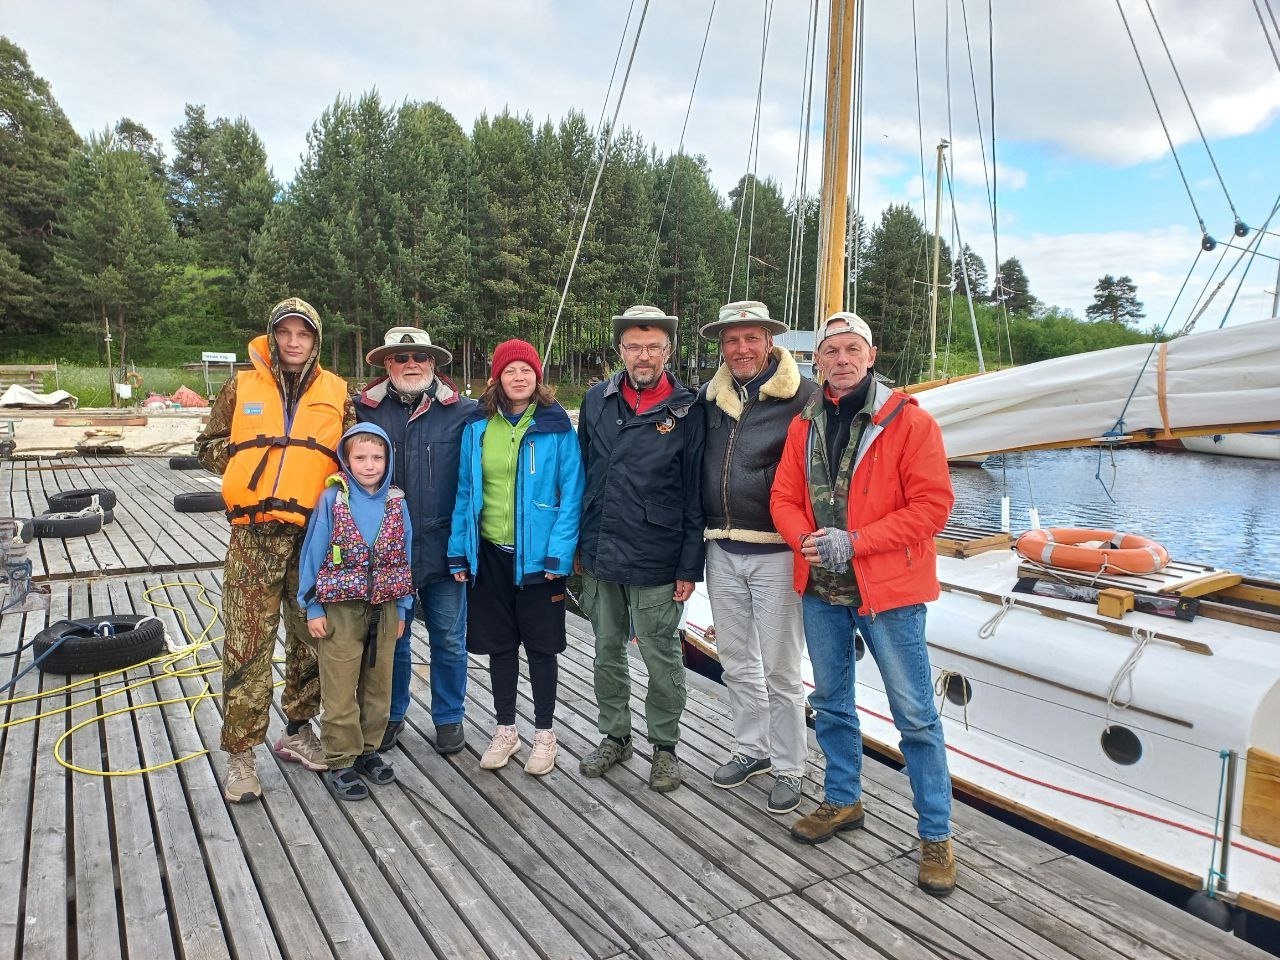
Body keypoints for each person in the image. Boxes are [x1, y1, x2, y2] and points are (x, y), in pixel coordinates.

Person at [770, 311, 958, 896]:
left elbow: (933, 507)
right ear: (817, 361)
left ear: (870, 356)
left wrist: (856, 542)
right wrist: (803, 538)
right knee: (830, 702)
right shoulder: (804, 423)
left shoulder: (909, 423)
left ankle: (936, 834)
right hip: (822, 590)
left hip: (889, 593)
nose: (842, 359)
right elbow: (783, 495)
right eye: (831, 351)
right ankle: (843, 799)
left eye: (853, 349)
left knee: (915, 716)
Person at [195, 297, 354, 803]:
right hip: (253, 537)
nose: (292, 342)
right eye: (284, 332)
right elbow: (208, 444)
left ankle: (298, 729)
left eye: (302, 334)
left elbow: (352, 456)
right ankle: (241, 755)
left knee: (309, 637)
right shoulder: (240, 387)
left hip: (311, 538)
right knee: (247, 644)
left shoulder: (337, 393)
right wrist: (246, 460)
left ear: (315, 340)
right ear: (272, 336)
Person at [576, 305, 705, 793]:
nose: (643, 356)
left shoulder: (690, 409)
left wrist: (689, 564)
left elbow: (696, 494)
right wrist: (577, 545)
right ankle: (616, 735)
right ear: (621, 351)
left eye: (653, 346)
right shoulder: (595, 400)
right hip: (601, 549)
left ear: (668, 350)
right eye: (634, 347)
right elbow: (582, 474)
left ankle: (665, 746)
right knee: (607, 651)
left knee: (661, 657)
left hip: (658, 553)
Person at [698, 300, 817, 815]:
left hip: (777, 551)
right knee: (737, 661)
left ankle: (791, 766)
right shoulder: (711, 398)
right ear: (721, 346)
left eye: (751, 338)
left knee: (783, 671)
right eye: (732, 340)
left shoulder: (804, 397)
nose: (742, 349)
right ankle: (752, 749)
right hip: (720, 546)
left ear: (771, 341)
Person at [447, 340, 585, 776]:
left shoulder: (556, 426)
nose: (519, 377)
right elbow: (466, 493)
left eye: (527, 370)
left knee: (543, 649)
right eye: (511, 370)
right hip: (489, 555)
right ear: (497, 377)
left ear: (537, 377)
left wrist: (559, 555)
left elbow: (572, 495)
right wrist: (458, 551)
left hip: (540, 560)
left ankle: (545, 734)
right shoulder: (477, 427)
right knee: (500, 647)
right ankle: (506, 729)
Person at [356, 327, 477, 755]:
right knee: (394, 640)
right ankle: (392, 715)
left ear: (434, 364)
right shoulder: (361, 410)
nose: (412, 365)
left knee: (449, 638)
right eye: (401, 357)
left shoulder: (466, 411)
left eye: (420, 357)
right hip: (388, 552)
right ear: (387, 364)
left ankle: (448, 718)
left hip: (446, 549)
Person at [297, 423, 415, 800]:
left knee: (379, 686)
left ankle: (368, 750)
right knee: (340, 687)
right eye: (360, 458)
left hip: (386, 607)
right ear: (346, 461)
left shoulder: (398, 500)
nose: (369, 465)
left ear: (388, 460)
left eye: (377, 458)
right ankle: (340, 758)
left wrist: (405, 606)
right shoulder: (333, 499)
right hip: (340, 609)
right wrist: (312, 604)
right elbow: (313, 553)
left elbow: (407, 554)